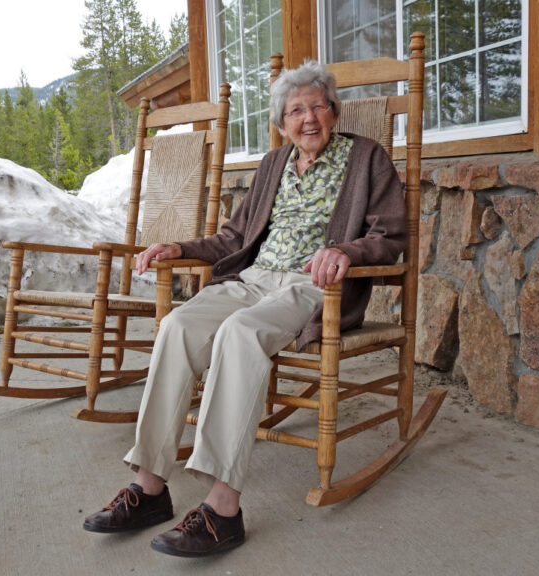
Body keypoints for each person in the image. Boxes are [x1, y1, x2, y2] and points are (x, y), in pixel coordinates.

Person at [82, 60, 408, 557]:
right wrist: (180, 248)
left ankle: (222, 509)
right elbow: (234, 238)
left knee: (240, 334)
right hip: (253, 279)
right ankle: (149, 488)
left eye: (318, 105)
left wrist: (345, 251)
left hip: (311, 287)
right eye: (296, 110)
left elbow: (390, 236)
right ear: (282, 123)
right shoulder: (273, 165)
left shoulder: (366, 158)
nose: (309, 118)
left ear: (334, 111)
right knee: (177, 327)